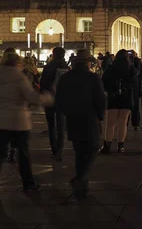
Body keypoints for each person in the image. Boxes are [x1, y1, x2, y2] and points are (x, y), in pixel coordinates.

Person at [0, 52, 53, 198]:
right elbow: (32, 97)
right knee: (23, 152)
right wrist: (47, 98)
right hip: (17, 120)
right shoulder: (19, 77)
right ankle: (28, 182)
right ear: (17, 63)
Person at [55, 49, 105, 198]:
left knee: (79, 150)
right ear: (88, 62)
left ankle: (82, 182)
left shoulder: (66, 78)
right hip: (89, 118)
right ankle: (80, 177)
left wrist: (67, 112)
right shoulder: (93, 78)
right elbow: (100, 99)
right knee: (93, 147)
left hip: (73, 118)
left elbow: (59, 100)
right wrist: (100, 115)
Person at [101, 49, 135, 154]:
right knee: (123, 123)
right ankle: (121, 146)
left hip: (113, 97)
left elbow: (103, 82)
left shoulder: (111, 69)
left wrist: (108, 90)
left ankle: (107, 145)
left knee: (110, 124)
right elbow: (135, 83)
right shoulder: (131, 69)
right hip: (127, 98)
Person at [39, 47, 68, 160]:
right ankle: (60, 149)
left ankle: (53, 148)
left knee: (51, 125)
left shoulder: (49, 67)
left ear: (53, 54)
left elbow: (43, 83)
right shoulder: (66, 67)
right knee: (61, 126)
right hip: (63, 100)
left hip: (50, 98)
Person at [129, 51, 142, 130]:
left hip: (134, 86)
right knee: (135, 107)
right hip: (134, 86)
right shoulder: (136, 61)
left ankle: (135, 123)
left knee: (133, 107)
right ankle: (135, 123)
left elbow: (137, 72)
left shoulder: (136, 61)